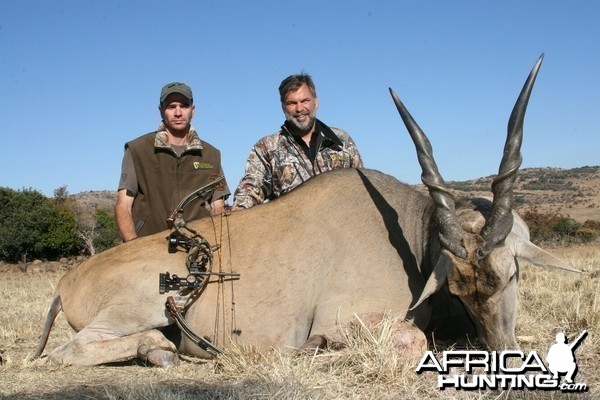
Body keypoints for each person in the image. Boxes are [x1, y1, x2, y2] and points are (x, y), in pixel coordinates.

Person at [115, 82, 230, 241]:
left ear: (192, 110)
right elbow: (123, 205)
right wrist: (134, 247)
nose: (178, 112)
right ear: (161, 110)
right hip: (148, 249)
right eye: (171, 106)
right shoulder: (137, 150)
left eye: (184, 106)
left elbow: (218, 205)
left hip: (198, 248)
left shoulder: (211, 155)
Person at [232, 73, 363, 209]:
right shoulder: (266, 148)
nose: (299, 109)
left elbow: (362, 186)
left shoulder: (342, 140)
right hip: (292, 228)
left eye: (305, 101)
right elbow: (250, 190)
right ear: (283, 107)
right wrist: (237, 215)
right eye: (292, 103)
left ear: (316, 102)